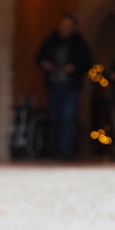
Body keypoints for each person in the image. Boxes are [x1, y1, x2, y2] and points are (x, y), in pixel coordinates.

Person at [35, 13, 93, 160]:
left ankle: (65, 152)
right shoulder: (50, 42)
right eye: (63, 25)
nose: (65, 28)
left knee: (68, 117)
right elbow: (39, 58)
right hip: (53, 85)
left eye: (68, 26)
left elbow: (88, 62)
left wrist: (75, 68)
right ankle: (55, 150)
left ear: (73, 28)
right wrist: (45, 64)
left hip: (71, 86)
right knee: (54, 118)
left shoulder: (80, 44)